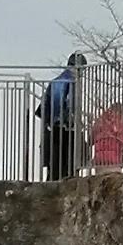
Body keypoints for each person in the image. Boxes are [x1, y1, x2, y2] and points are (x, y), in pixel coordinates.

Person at [39, 51, 84, 181]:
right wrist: (74, 120)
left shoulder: (56, 81)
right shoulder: (71, 81)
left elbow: (44, 107)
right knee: (67, 166)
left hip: (52, 128)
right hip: (65, 128)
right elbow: (69, 104)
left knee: (54, 166)